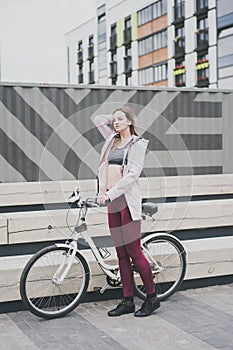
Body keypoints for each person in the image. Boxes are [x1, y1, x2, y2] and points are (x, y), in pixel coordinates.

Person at [93, 106, 160, 317]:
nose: (116, 122)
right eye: (114, 120)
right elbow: (96, 119)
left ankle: (152, 298)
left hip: (125, 203)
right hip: (112, 203)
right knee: (120, 253)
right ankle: (128, 301)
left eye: (121, 119)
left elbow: (131, 177)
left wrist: (109, 194)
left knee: (133, 252)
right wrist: (115, 117)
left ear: (131, 121)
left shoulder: (138, 145)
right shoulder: (112, 140)